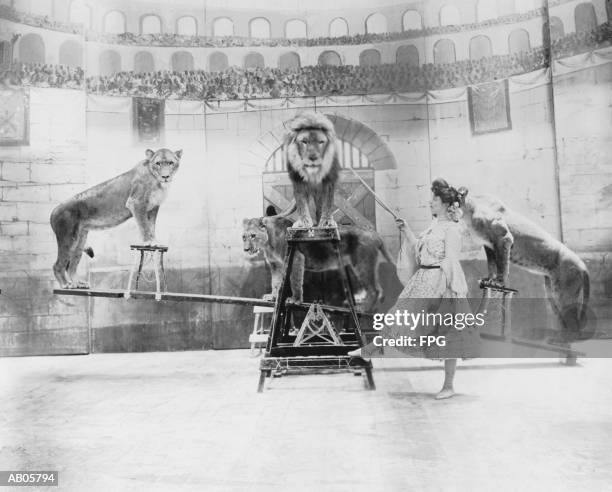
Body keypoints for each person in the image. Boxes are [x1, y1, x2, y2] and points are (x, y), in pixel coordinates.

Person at [349, 178, 480, 399]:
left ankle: (448, 386)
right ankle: (370, 351)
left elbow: (451, 260)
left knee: (449, 334)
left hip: (442, 283)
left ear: (447, 205)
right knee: (399, 316)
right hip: (424, 278)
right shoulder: (434, 226)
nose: (430, 202)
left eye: (434, 199)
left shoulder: (452, 229)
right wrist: (406, 229)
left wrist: (447, 295)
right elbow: (419, 251)